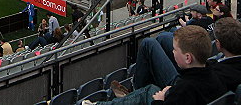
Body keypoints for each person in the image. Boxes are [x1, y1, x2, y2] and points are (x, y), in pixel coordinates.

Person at [82, 26, 227, 105]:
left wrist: (160, 100)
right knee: (153, 43)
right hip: (183, 86)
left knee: (149, 90)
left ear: (188, 58)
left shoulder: (184, 90)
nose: (172, 52)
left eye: (175, 50)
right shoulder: (214, 73)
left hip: (172, 93)